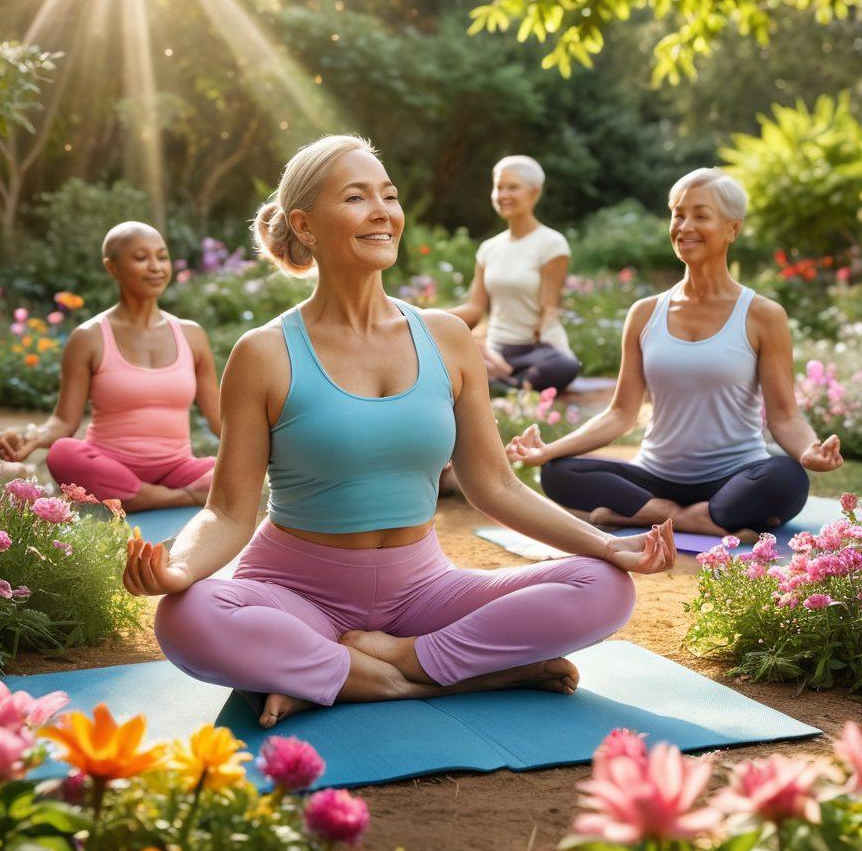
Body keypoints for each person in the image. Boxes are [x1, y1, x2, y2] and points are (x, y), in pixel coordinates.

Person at [123, 134, 676, 730]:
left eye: (388, 195)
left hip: (423, 593)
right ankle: (427, 679)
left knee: (603, 586)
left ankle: (367, 669)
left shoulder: (446, 337)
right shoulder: (264, 353)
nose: (383, 211)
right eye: (357, 197)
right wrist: (178, 569)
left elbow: (496, 484)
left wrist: (606, 545)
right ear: (305, 226)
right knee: (187, 618)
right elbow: (230, 510)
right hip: (294, 594)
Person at [507, 169, 844, 540]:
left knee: (787, 477)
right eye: (678, 214)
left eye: (701, 215)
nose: (685, 226)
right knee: (557, 471)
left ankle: (641, 516)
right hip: (655, 478)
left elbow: (784, 417)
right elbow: (621, 413)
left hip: (733, 477)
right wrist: (549, 449)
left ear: (732, 229)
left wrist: (808, 450)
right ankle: (692, 518)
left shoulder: (763, 315)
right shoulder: (645, 313)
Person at [0, 222, 221, 512]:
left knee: (226, 470)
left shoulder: (192, 335)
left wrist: (263, 450)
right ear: (112, 268)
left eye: (161, 257)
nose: (156, 267)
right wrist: (29, 438)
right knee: (62, 454)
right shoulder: (89, 337)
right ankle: (173, 498)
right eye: (141, 258)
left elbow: (218, 418)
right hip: (108, 465)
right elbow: (64, 421)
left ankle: (135, 499)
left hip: (176, 470)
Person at [449, 155, 580, 392]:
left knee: (566, 365)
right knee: (457, 360)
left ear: (534, 192)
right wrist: (425, 317)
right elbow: (475, 310)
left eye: (513, 187)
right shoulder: (489, 248)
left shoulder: (552, 244)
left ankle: (504, 382)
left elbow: (549, 308)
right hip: (498, 348)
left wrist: (548, 341)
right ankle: (511, 381)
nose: (503, 195)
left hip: (537, 349)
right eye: (499, 187)